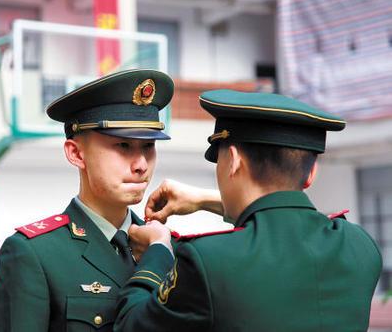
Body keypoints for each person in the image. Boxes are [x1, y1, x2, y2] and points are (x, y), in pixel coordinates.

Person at [114, 89, 382, 332]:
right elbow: (293, 222)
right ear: (311, 173)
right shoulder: (360, 247)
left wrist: (157, 252)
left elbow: (131, 326)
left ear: (233, 161)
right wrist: (203, 200)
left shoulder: (207, 261)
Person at [0, 69, 174, 332]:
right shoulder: (34, 255)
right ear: (76, 154)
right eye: (123, 146)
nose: (141, 164)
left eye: (148, 146)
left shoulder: (166, 247)